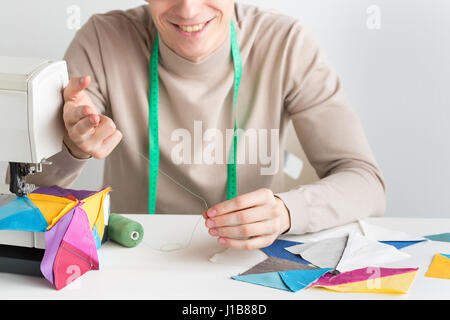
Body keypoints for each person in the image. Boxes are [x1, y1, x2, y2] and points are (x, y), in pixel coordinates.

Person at [27, 1, 386, 250]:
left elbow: (365, 181)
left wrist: (287, 212)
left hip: (250, 263)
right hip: (133, 256)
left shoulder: (285, 43)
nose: (188, 9)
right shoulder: (102, 40)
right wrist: (73, 148)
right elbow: (28, 188)